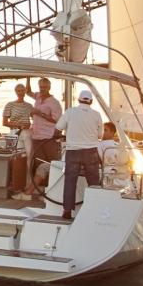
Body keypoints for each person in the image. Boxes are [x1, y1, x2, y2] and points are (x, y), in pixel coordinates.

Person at [55, 89, 103, 220]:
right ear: (91, 102)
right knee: (93, 182)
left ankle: (67, 211)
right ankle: (96, 210)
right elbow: (100, 135)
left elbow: (58, 128)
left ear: (79, 100)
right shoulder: (97, 115)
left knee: (70, 181)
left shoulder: (70, 112)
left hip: (73, 151)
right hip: (91, 152)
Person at [27, 77, 62, 177]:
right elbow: (28, 92)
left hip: (48, 137)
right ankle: (41, 187)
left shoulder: (54, 102)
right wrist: (28, 77)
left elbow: (56, 120)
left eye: (44, 87)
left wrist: (39, 113)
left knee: (52, 163)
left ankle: (51, 186)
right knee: (39, 163)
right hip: (36, 136)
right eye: (40, 87)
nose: (42, 89)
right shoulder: (38, 96)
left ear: (49, 87)